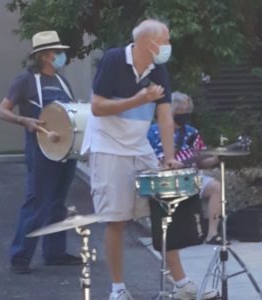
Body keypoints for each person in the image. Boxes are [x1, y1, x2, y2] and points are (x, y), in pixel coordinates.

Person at [81, 18, 216, 300]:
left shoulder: (159, 69)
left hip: (139, 146)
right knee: (116, 220)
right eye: (165, 40)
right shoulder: (114, 59)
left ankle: (181, 283)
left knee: (162, 211)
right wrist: (139, 99)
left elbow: (165, 114)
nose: (168, 46)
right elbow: (97, 107)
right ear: (147, 42)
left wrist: (168, 157)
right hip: (108, 147)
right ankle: (117, 289)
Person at [0, 31, 82, 274]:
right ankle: (20, 257)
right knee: (37, 202)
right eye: (58, 52)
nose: (62, 56)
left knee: (57, 203)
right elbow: (1, 111)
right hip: (41, 148)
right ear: (45, 56)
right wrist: (25, 120)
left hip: (65, 148)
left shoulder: (63, 81)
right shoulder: (25, 80)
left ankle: (55, 253)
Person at [148, 91, 222, 244]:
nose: (185, 114)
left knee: (216, 187)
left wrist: (215, 158)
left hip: (192, 177)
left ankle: (212, 233)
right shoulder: (154, 131)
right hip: (167, 180)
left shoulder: (192, 132)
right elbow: (150, 161)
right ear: (172, 111)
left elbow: (201, 161)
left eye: (188, 110)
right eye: (182, 110)